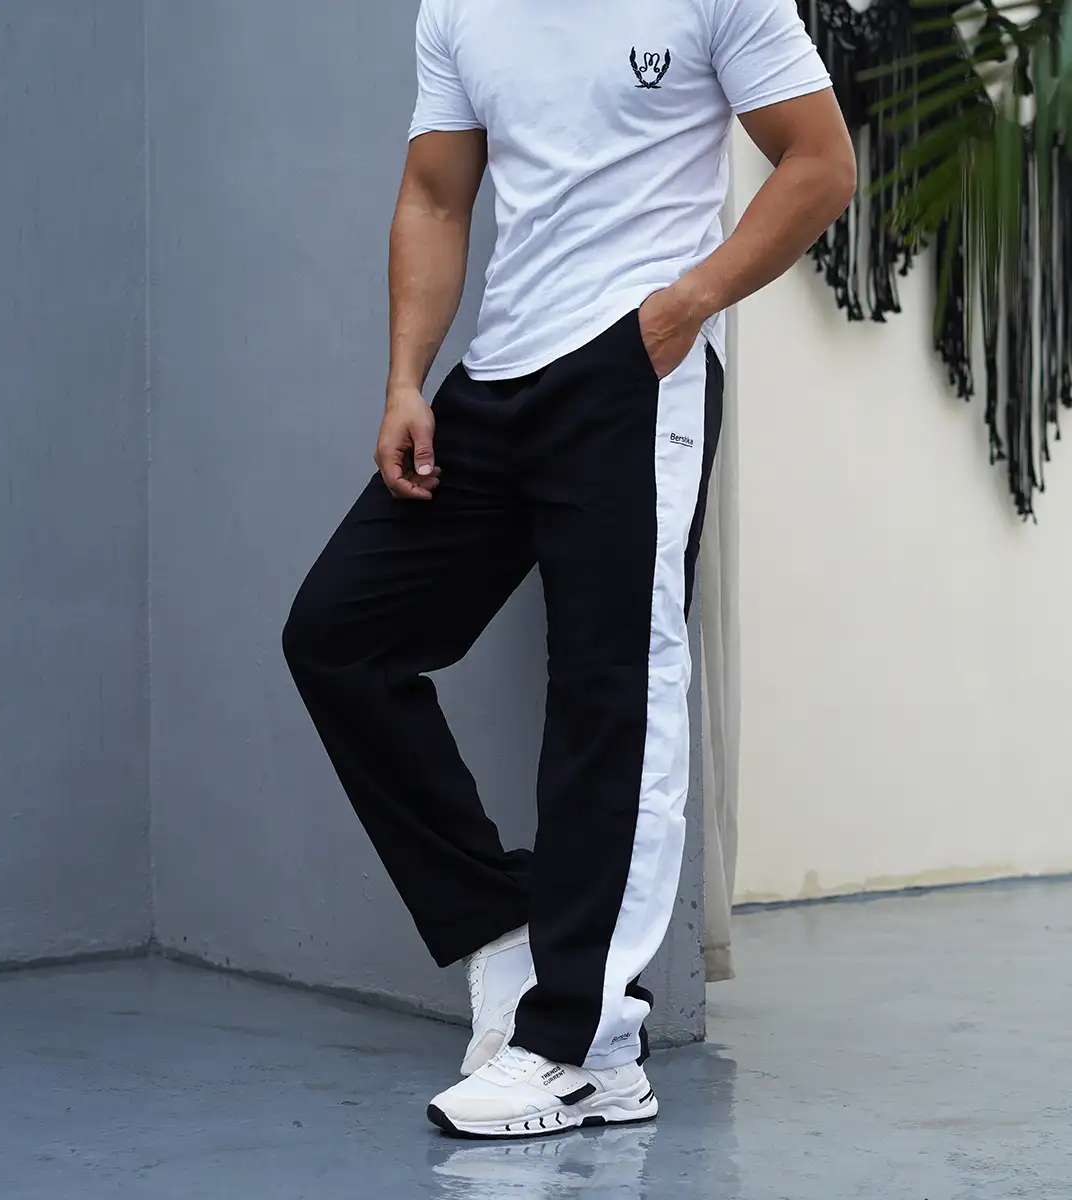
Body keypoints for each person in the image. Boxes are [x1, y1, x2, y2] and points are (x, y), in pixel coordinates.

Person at [282, 0, 855, 1140]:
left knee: (614, 690)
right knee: (340, 637)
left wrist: (685, 305)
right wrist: (407, 381)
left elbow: (820, 163)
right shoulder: (460, 7)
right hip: (500, 374)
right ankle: (505, 927)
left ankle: (584, 1050)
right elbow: (436, 196)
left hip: (638, 370)